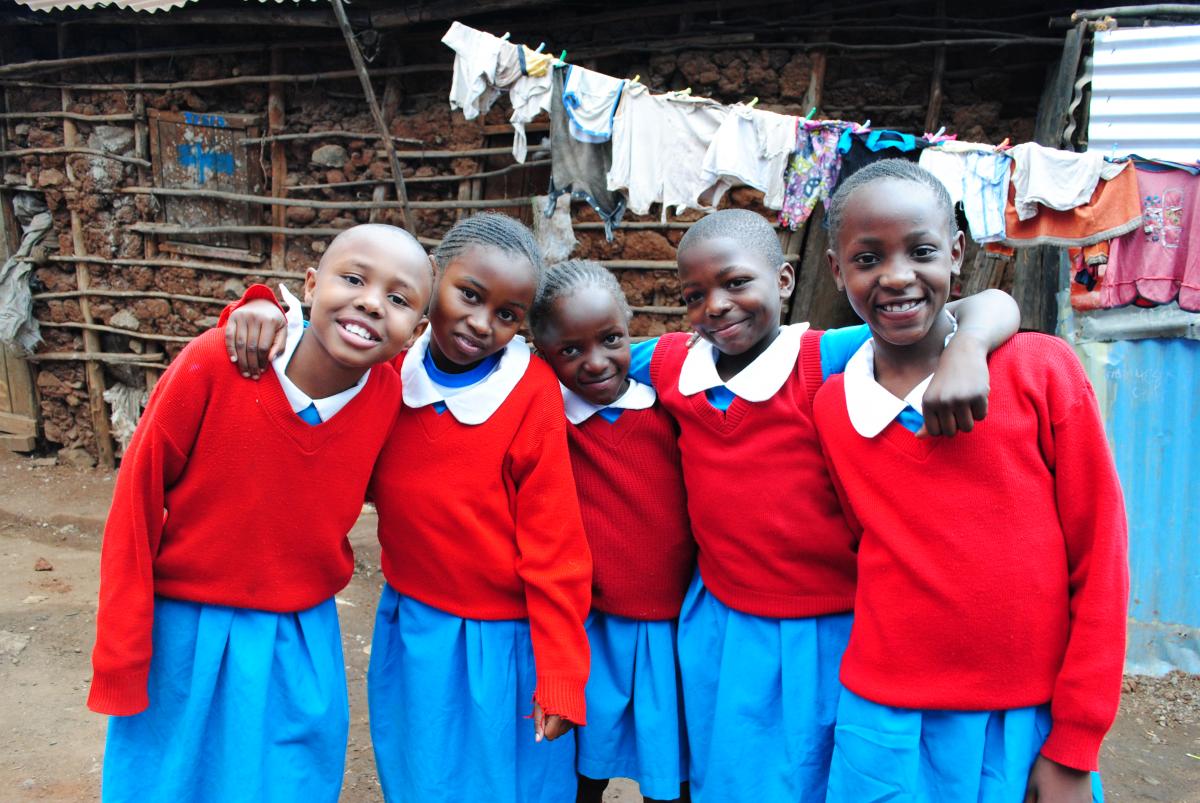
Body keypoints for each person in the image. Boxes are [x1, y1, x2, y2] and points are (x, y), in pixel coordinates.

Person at [625, 207, 1022, 802]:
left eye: (736, 283)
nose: (716, 306)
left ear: (784, 281)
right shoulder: (674, 364)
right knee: (730, 772)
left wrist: (967, 349)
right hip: (722, 621)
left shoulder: (825, 356)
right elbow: (590, 356)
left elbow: (989, 305)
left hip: (832, 622)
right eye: (694, 295)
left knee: (818, 772)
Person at [223, 213, 592, 803]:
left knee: (507, 781)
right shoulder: (386, 372)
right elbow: (309, 346)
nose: (480, 322)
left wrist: (562, 674)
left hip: (503, 642)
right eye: (468, 295)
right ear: (430, 285)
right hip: (411, 626)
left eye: (507, 314)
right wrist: (260, 304)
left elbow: (557, 548)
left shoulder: (531, 394)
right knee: (419, 773)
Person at [814, 159, 1127, 803]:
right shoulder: (833, 406)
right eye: (867, 259)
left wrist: (1074, 741)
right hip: (883, 719)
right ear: (835, 271)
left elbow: (1102, 557)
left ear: (957, 252)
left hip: (1021, 721)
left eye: (922, 251)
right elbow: (862, 538)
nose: (897, 275)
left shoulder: (1039, 370)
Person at [88, 224, 434, 803]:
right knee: (168, 781)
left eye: (398, 300)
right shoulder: (217, 361)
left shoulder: (389, 399)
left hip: (300, 639)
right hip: (186, 635)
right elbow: (136, 502)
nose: (372, 302)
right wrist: (121, 652)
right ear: (309, 283)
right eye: (352, 279)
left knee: (290, 782)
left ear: (416, 331)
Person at [530, 260, 694, 803]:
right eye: (570, 351)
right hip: (593, 627)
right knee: (583, 767)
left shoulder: (670, 402)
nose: (596, 362)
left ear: (631, 327)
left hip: (672, 627)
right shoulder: (547, 415)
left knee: (670, 771)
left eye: (611, 339)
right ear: (542, 353)